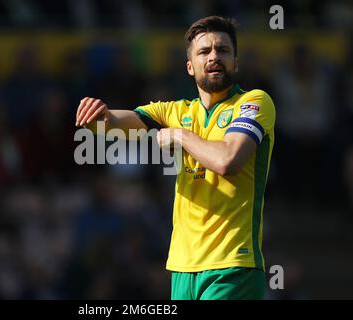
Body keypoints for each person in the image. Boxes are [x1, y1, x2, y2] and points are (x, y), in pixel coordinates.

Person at [75, 16, 276, 300]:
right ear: (190, 67)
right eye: (204, 51)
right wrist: (96, 117)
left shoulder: (253, 102)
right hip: (182, 268)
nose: (214, 56)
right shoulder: (175, 111)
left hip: (232, 266)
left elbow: (228, 160)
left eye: (223, 50)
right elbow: (113, 123)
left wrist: (180, 136)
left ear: (236, 62)